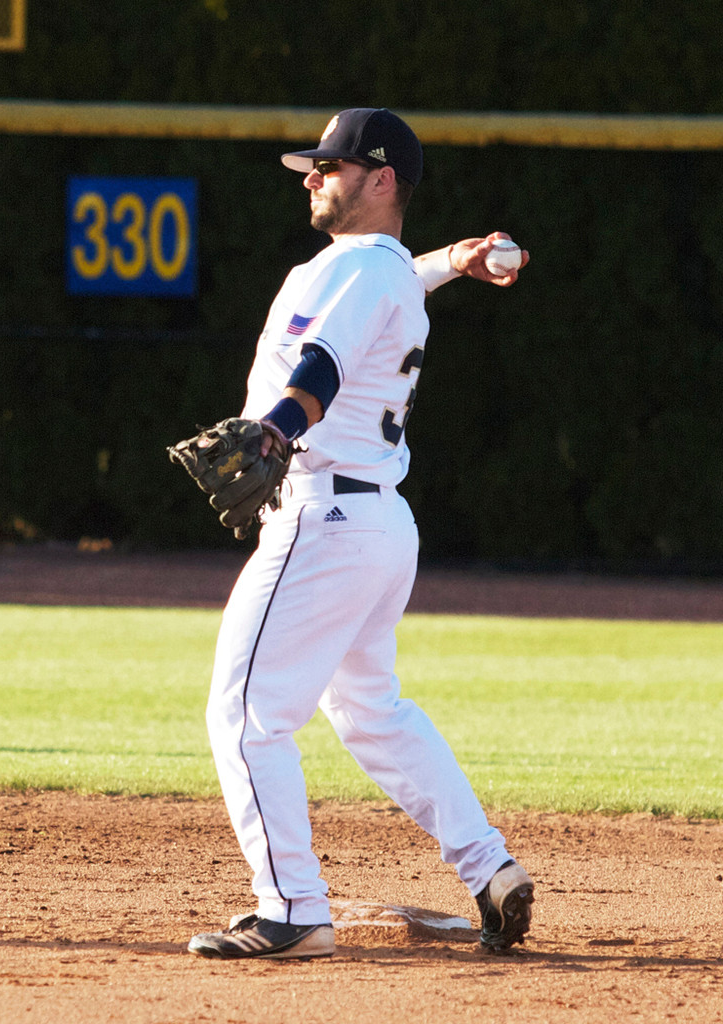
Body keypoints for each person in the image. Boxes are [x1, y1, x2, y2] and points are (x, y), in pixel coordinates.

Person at [188, 107, 533, 961]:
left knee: (243, 715)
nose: (312, 176)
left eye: (330, 167)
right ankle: (490, 866)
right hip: (378, 520)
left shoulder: (355, 269)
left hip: (323, 519)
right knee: (370, 710)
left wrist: (273, 430)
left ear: (381, 181)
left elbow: (324, 365)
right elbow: (393, 283)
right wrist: (455, 258)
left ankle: (294, 909)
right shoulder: (376, 271)